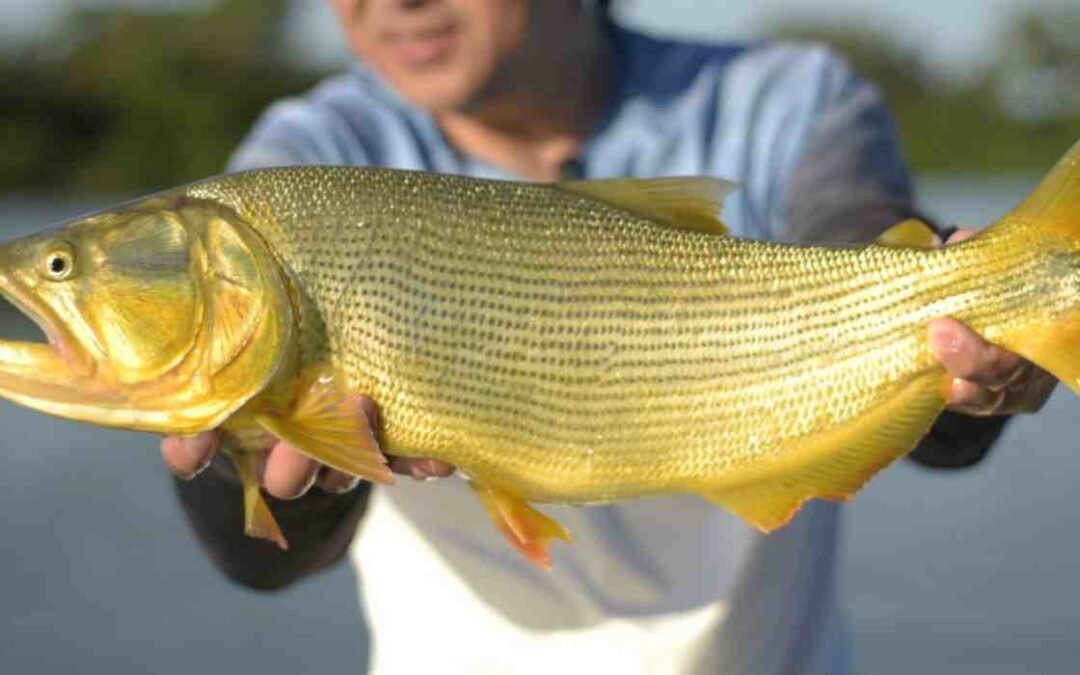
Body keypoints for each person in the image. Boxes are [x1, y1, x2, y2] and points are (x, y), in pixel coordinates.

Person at [161, 1, 1056, 673]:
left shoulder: (789, 97)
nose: (392, 2)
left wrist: (971, 349)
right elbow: (257, 559)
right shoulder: (311, 155)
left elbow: (861, 240)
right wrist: (277, 476)